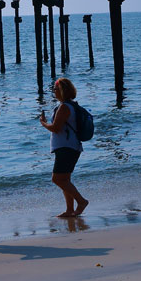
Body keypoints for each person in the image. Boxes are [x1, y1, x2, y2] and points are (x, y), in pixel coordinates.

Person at [39, 77, 89, 218]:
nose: (53, 92)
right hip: (70, 146)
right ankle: (69, 210)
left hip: (66, 147)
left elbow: (55, 128)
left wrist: (43, 123)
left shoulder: (65, 107)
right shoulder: (70, 106)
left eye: (55, 89)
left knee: (57, 179)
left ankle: (81, 201)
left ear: (61, 91)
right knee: (65, 180)